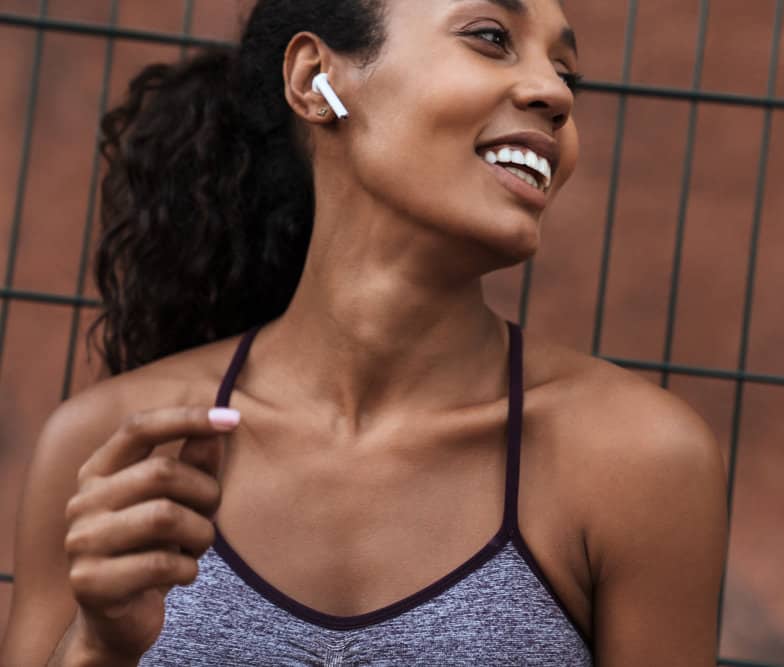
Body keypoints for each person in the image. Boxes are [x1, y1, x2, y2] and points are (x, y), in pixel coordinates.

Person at [0, 0, 727, 664]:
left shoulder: (637, 462)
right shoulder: (111, 449)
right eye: (492, 38)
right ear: (317, 80)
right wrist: (95, 646)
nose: (556, 93)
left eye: (566, 70)